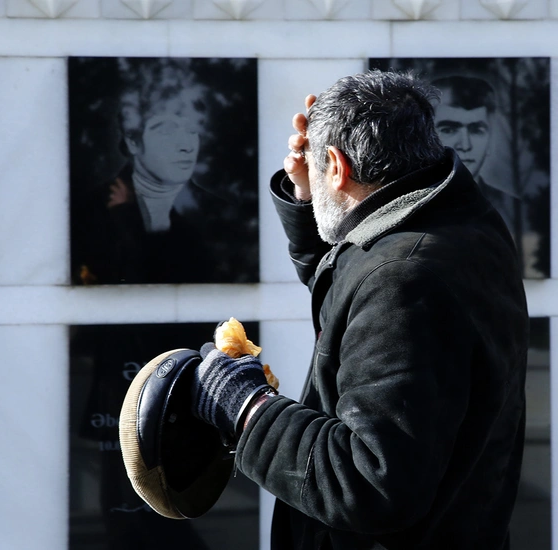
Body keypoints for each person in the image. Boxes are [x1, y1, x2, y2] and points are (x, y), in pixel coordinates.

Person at [189, 70, 529, 549]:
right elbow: (359, 295)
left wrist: (247, 408)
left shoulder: (403, 280)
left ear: (336, 164)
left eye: (320, 166)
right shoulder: (461, 225)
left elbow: (370, 484)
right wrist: (309, 201)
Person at [72, 59, 224, 285]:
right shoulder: (88, 212)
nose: (186, 145)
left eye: (192, 130)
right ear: (133, 140)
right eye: (167, 130)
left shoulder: (220, 214)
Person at [431, 75, 522, 242]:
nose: (465, 145)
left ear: (490, 137)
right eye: (449, 129)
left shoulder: (517, 211)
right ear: (426, 136)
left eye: (476, 130)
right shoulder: (404, 209)